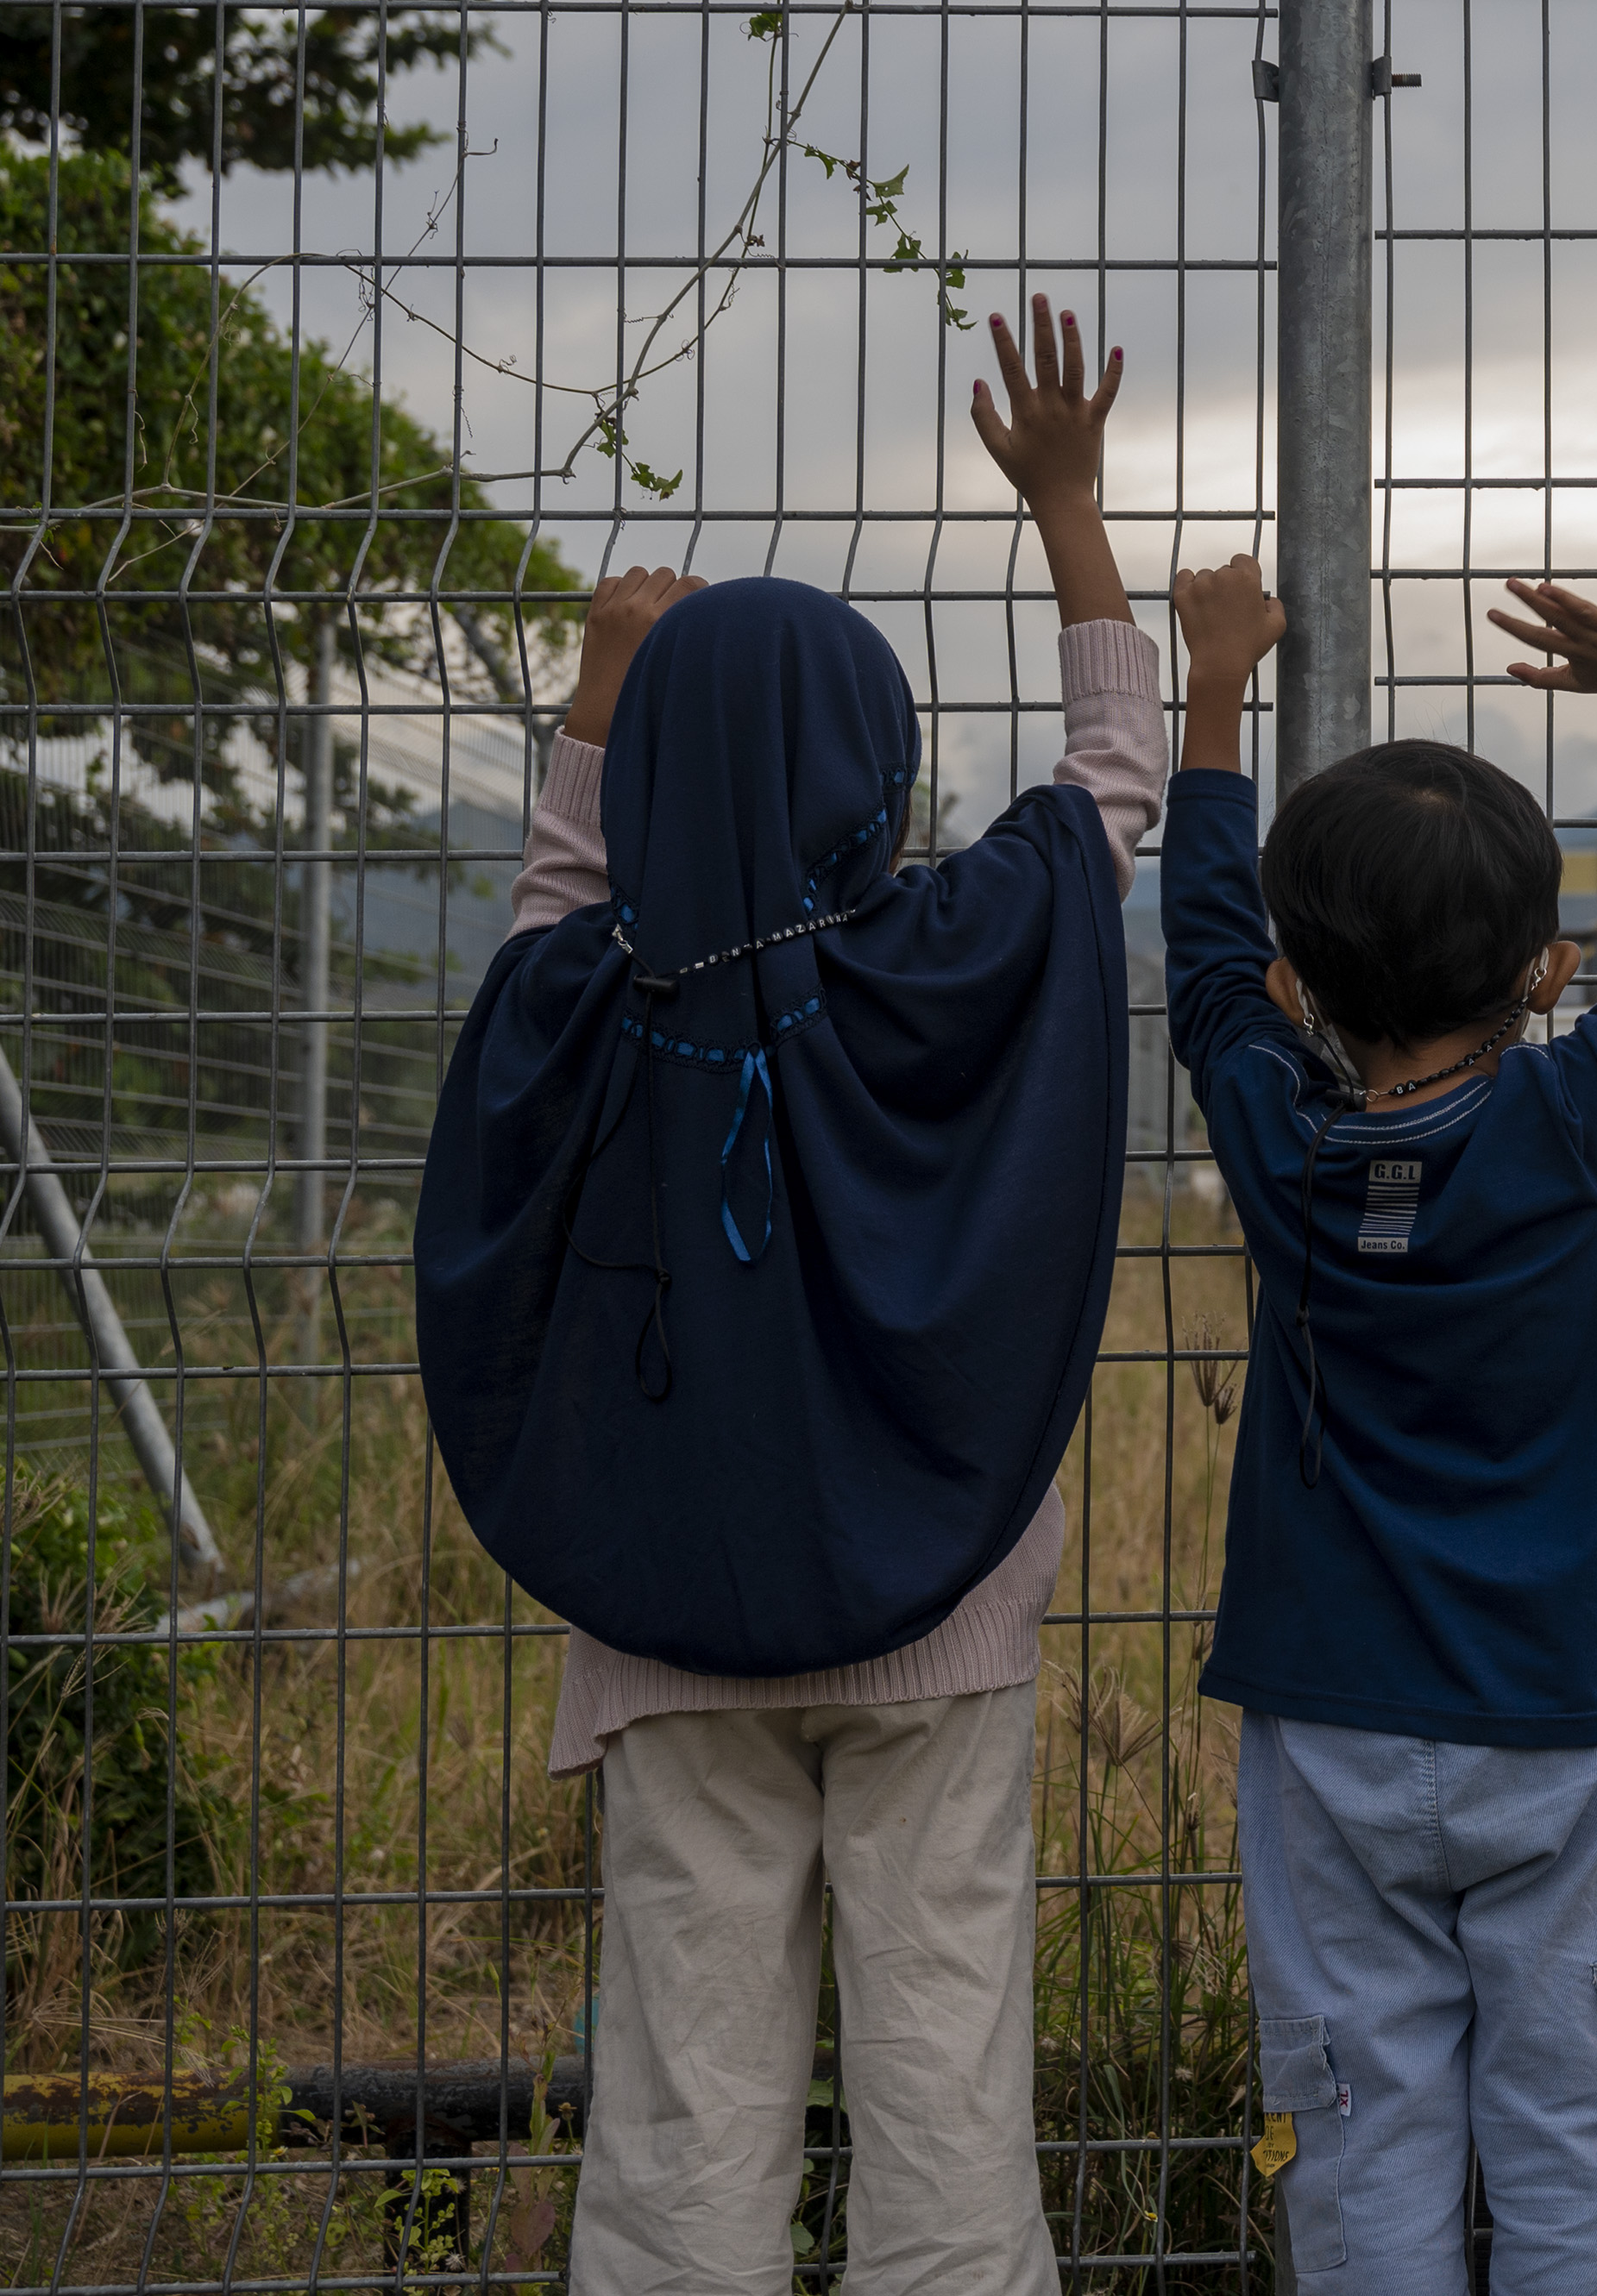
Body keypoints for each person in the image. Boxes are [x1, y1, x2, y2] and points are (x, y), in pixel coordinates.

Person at [416, 295, 1161, 2292]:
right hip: (941, 1618)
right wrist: (1067, 507)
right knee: (945, 2085)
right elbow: (1111, 775)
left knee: (683, 2105)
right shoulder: (960, 943)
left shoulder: (582, 997)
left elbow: (554, 898)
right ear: (878, 766)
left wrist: (602, 694)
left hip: (661, 1623)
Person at [1160, 555, 1597, 2293]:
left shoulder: (1271, 1134)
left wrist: (1215, 683)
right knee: (1573, 2127)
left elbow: (1201, 939)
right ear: (1547, 969)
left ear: (1296, 978)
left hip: (1326, 1723)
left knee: (1359, 2136)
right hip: (1553, 1718)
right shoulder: (1580, 1112)